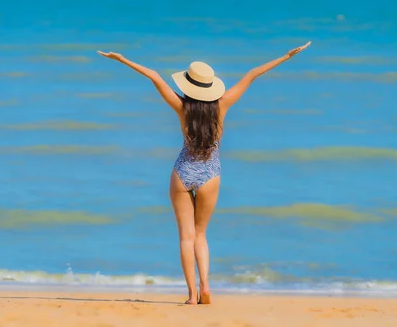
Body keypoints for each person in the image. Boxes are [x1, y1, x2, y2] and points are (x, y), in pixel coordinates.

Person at [97, 41, 311, 304]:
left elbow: (153, 75)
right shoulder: (222, 106)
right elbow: (253, 73)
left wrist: (121, 59)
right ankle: (206, 287)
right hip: (211, 173)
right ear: (210, 87)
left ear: (188, 84)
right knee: (201, 235)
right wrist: (287, 56)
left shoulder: (182, 107)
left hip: (183, 172)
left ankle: (190, 295)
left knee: (186, 237)